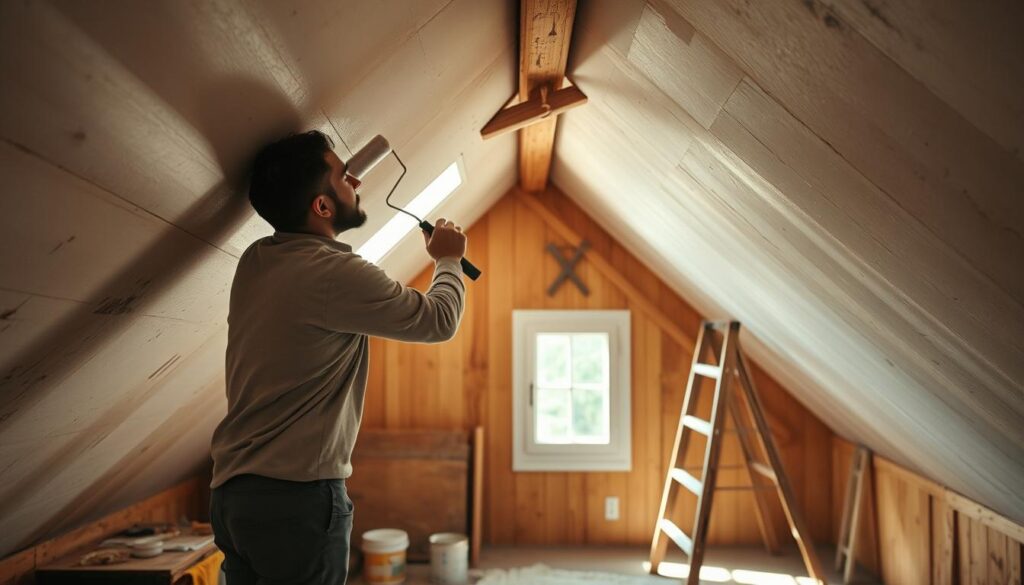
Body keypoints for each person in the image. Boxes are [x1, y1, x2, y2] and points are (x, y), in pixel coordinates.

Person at [208, 130, 467, 584]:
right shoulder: (334, 274)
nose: (357, 184)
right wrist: (447, 261)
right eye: (343, 177)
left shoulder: (254, 260)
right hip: (296, 500)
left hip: (233, 494)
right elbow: (439, 320)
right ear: (322, 207)